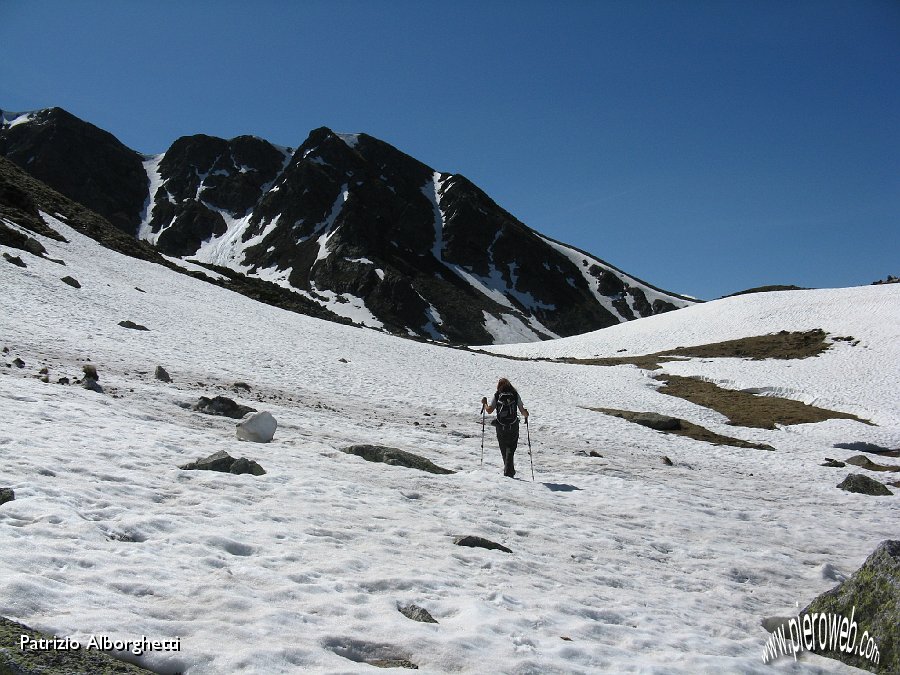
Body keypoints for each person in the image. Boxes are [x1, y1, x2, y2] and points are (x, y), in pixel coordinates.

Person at [481, 378, 528, 478]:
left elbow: (489, 410)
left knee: (503, 448)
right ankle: (509, 471)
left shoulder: (498, 394)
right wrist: (526, 414)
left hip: (500, 426)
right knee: (511, 448)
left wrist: (484, 404)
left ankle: (508, 471)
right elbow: (522, 411)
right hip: (513, 425)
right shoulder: (515, 394)